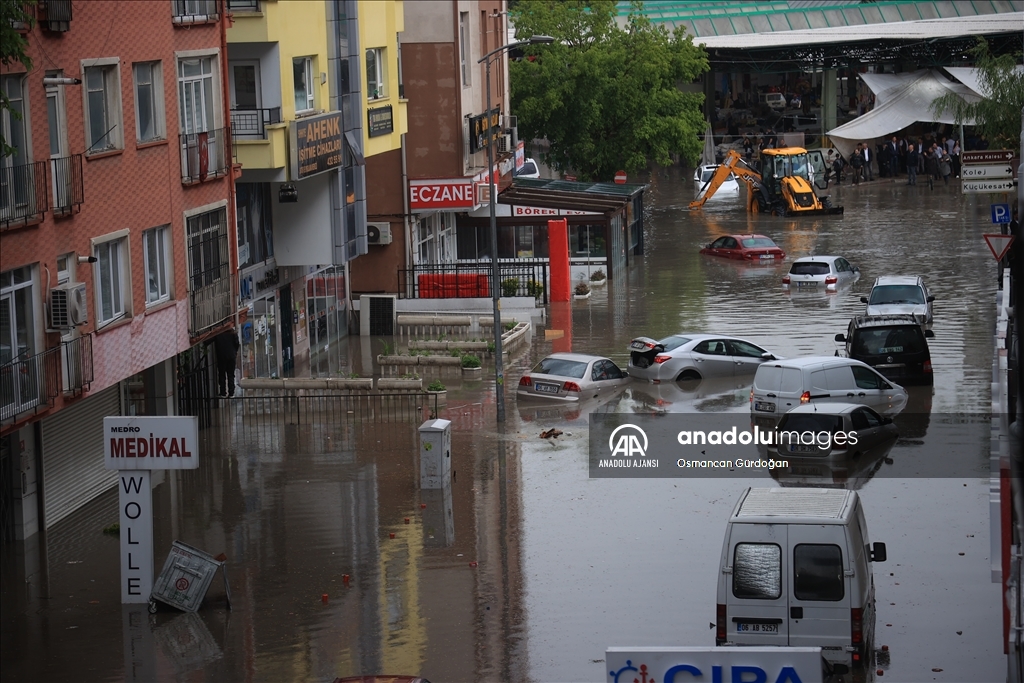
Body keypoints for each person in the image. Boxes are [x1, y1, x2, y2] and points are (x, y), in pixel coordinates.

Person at [214, 326, 240, 398]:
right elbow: (237, 343)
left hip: (221, 356)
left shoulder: (218, 334)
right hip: (231, 356)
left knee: (222, 374)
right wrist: (235, 352)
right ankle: (231, 393)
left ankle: (223, 393)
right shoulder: (233, 333)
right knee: (231, 374)